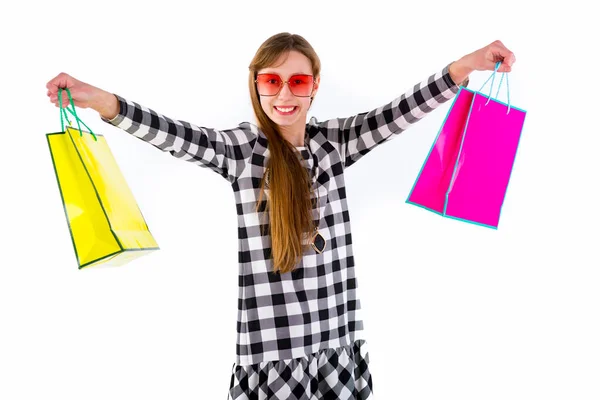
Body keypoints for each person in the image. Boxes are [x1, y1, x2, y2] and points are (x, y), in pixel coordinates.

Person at [46, 32, 516, 400]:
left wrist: (465, 66)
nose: (284, 94)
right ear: (256, 85)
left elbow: (402, 111)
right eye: (272, 81)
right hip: (274, 355)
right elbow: (171, 134)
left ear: (315, 86)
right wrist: (102, 100)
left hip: (335, 346)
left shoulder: (335, 143)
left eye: (298, 81)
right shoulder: (242, 152)